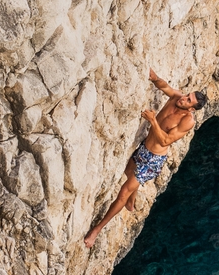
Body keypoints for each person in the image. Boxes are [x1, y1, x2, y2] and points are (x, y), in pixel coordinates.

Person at [84, 69, 206, 248]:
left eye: (189, 100)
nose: (184, 98)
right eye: (187, 95)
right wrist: (155, 77)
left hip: (153, 160)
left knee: (123, 192)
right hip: (143, 148)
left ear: (192, 108)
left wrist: (153, 121)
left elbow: (165, 140)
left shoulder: (187, 121)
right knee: (127, 172)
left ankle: (97, 230)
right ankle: (132, 199)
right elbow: (165, 87)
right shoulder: (176, 98)